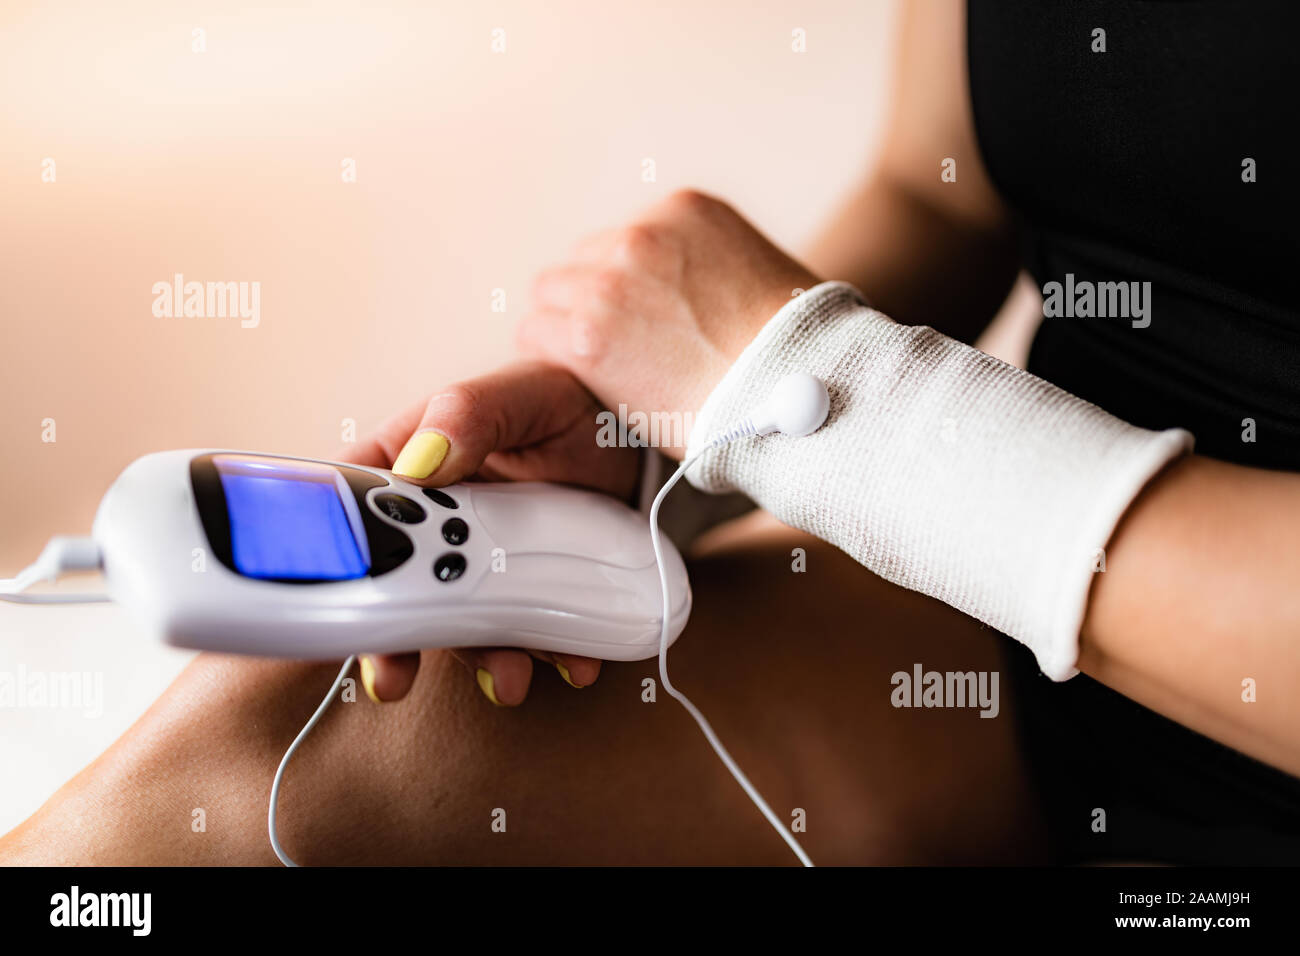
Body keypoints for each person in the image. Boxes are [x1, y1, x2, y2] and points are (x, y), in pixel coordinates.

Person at [2, 0, 1295, 865]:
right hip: (1025, 645)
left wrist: (810, 384)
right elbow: (940, 196)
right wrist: (668, 432)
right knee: (253, 752)